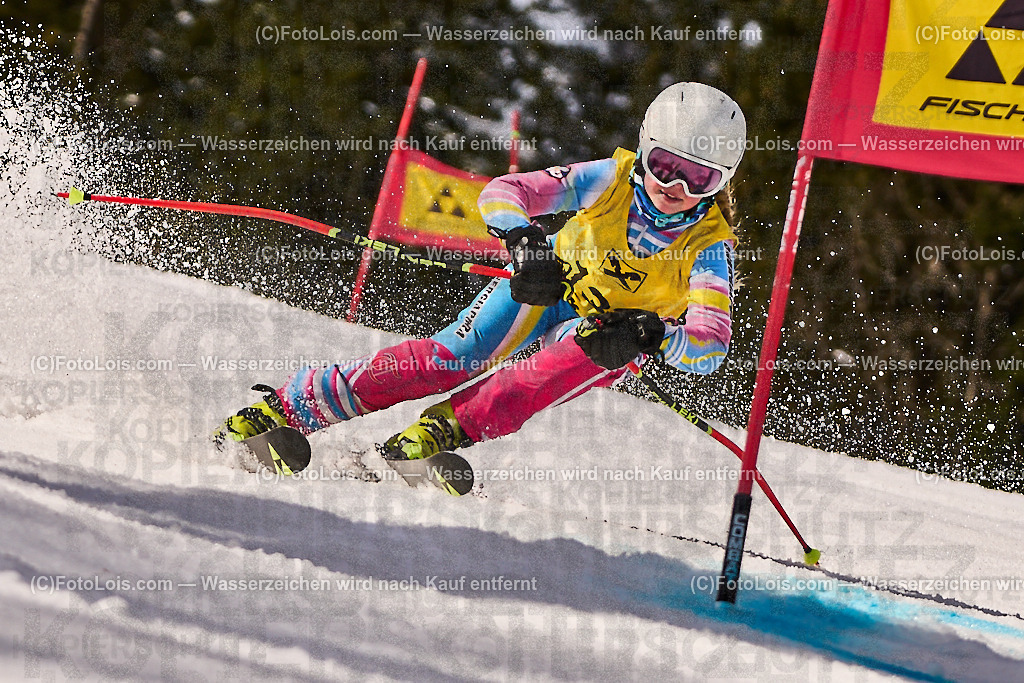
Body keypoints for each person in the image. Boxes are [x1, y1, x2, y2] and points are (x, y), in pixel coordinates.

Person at [214, 82, 745, 468]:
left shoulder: (709, 250)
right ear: (644, 151)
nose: (674, 186)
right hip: (549, 286)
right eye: (663, 165)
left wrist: (652, 335)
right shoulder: (609, 179)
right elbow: (505, 192)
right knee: (450, 359)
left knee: (548, 370)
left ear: (720, 181)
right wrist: (523, 242)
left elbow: (710, 347)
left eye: (698, 177)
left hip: (606, 336)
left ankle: (443, 431)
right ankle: (292, 406)